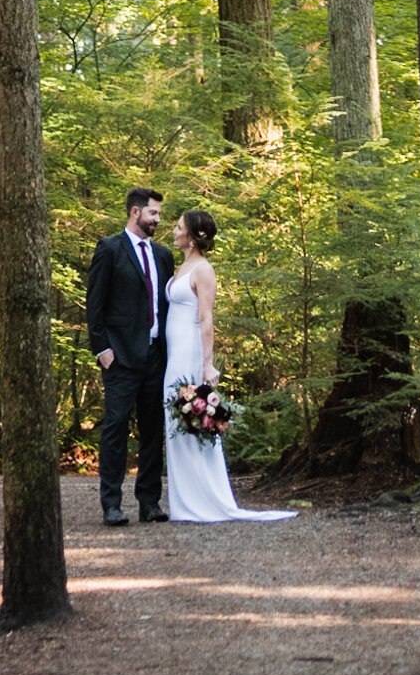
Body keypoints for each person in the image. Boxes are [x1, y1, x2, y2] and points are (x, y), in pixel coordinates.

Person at [163, 210, 296, 524]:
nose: (174, 230)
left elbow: (206, 319)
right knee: (175, 425)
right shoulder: (181, 267)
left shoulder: (204, 270)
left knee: (195, 424)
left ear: (194, 235)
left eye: (179, 226)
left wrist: (207, 364)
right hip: (172, 355)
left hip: (190, 353)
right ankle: (185, 503)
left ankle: (208, 501)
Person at [85, 186, 174, 525]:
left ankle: (149, 502)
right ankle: (111, 504)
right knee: (116, 428)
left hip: (156, 356)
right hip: (120, 356)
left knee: (153, 429)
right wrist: (102, 349)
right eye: (153, 213)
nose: (157, 220)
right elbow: (95, 304)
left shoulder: (163, 255)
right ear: (135, 212)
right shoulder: (109, 249)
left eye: (160, 215)